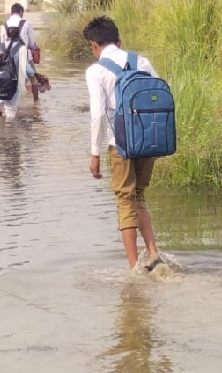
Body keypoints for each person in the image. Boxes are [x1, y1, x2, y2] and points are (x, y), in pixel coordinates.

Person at [83, 15, 162, 271]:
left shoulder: (96, 71)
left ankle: (134, 268)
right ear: (119, 41)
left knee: (125, 200)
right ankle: (153, 253)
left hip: (121, 143)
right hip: (149, 139)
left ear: (94, 45)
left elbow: (97, 115)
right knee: (138, 195)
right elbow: (160, 95)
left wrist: (95, 154)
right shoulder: (142, 62)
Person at [0, 18, 31, 121]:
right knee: (10, 111)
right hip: (12, 83)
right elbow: (27, 69)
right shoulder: (22, 48)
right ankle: (9, 130)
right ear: (18, 35)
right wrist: (34, 76)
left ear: (7, 34)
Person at [2, 3, 42, 102]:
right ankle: (35, 103)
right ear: (21, 12)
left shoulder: (4, 25)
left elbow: (2, 44)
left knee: (11, 81)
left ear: (11, 12)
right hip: (25, 56)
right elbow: (31, 43)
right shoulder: (26, 23)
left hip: (9, 58)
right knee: (33, 78)